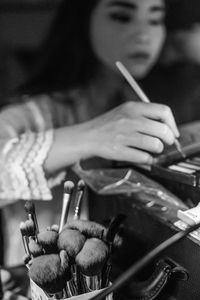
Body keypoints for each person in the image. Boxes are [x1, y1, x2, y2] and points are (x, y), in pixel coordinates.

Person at [0, 0, 179, 266]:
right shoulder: (33, 114)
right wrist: (88, 136)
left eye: (155, 20)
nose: (144, 34)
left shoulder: (150, 106)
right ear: (82, 21)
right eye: (121, 16)